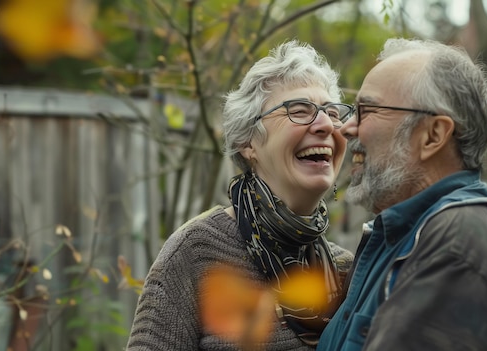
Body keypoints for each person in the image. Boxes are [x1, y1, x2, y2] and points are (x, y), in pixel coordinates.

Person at [317, 38, 487, 350]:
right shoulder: (402, 239)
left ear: (433, 135)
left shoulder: (456, 248)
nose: (346, 127)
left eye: (367, 110)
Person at [125, 39, 356, 351]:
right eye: (300, 111)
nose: (326, 125)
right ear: (249, 143)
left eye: (332, 113)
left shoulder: (347, 271)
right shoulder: (196, 252)